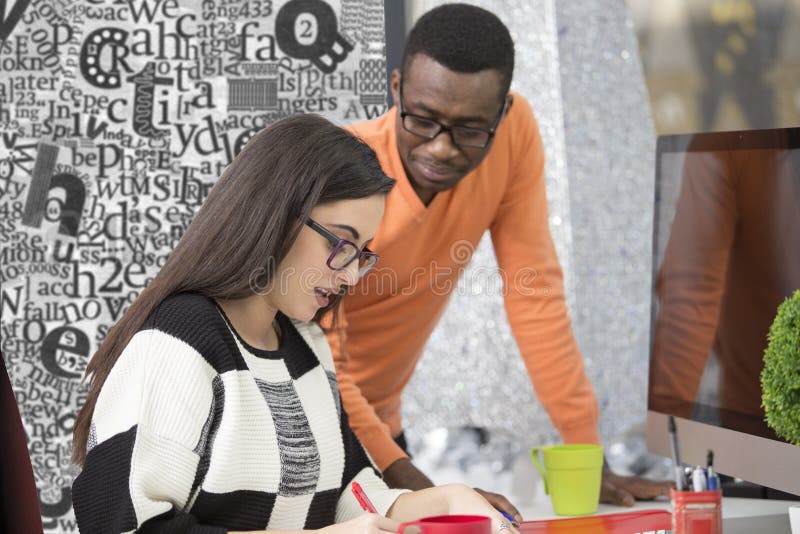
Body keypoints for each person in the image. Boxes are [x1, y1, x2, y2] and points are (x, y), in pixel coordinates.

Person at [71, 115, 517, 534]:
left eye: (362, 254)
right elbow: (122, 525)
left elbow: (352, 493)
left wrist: (443, 502)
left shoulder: (306, 344)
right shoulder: (180, 340)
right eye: (342, 243)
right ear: (278, 216)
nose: (349, 275)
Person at [325, 4, 673, 519]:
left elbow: (536, 297)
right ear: (396, 89)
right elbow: (325, 364)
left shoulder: (514, 137)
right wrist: (421, 488)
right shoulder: (343, 173)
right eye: (422, 120)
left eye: (469, 130)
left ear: (501, 114)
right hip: (312, 421)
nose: (441, 149)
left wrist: (584, 450)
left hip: (381, 423)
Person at [650, 132, 800, 438]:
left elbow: (690, 297)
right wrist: (663, 440)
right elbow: (690, 298)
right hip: (760, 432)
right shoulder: (731, 145)